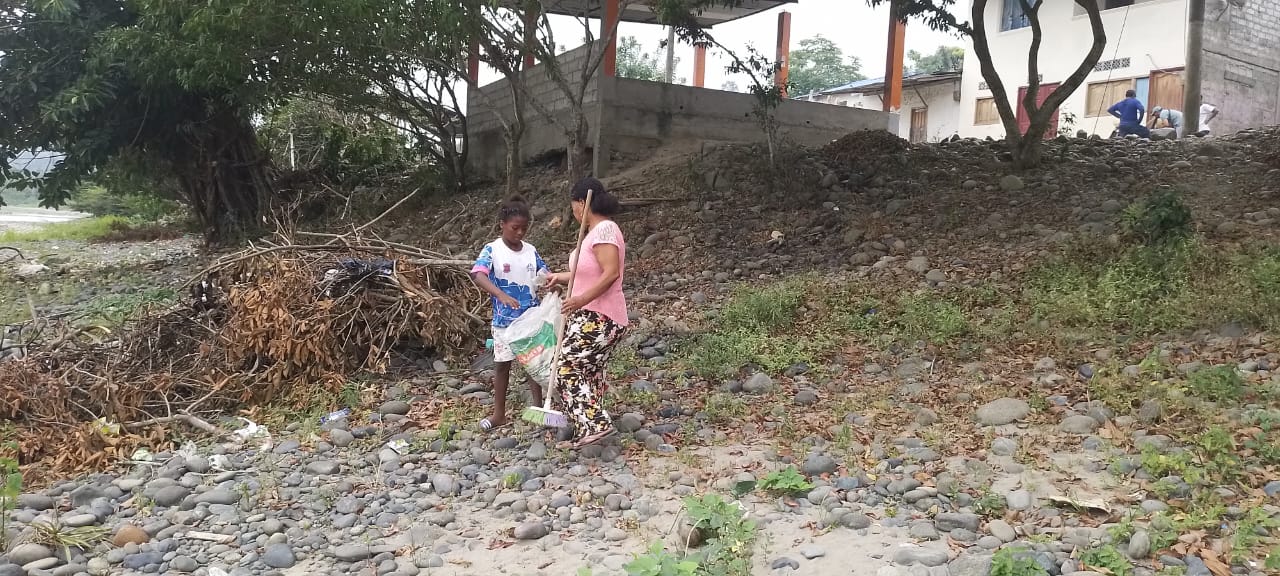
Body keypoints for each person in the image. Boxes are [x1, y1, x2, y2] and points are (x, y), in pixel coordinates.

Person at [542, 177, 628, 448]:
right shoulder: (593, 232)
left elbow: (611, 273)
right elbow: (587, 273)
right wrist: (560, 276)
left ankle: (596, 424)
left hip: (600, 316)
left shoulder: (604, 230)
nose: (574, 213)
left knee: (564, 367)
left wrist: (580, 300)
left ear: (582, 203)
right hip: (589, 314)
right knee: (588, 371)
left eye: (574, 208)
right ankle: (587, 430)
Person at [470, 195, 548, 431]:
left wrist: (551, 283)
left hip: (530, 319)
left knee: (533, 364)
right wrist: (500, 294)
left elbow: (545, 274)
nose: (520, 233)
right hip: (504, 321)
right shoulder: (493, 250)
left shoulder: (530, 251)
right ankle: (499, 414)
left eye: (524, 228)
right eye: (515, 228)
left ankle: (538, 409)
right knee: (502, 365)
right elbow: (478, 274)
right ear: (502, 225)